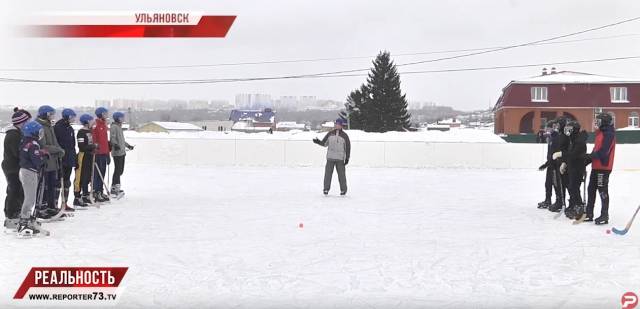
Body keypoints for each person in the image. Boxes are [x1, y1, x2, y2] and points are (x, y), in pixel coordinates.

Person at [16, 120, 48, 236]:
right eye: (39, 132)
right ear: (33, 132)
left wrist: (40, 153)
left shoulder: (26, 141)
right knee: (30, 198)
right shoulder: (33, 144)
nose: (40, 134)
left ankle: (27, 219)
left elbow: (31, 154)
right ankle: (23, 222)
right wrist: (43, 158)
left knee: (29, 197)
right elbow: (36, 160)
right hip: (29, 172)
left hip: (25, 170)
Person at [584, 113, 616, 224]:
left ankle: (604, 215)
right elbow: (595, 151)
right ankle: (589, 214)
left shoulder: (609, 134)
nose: (596, 123)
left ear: (604, 122)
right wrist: (585, 161)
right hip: (596, 167)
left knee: (602, 190)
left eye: (599, 121)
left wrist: (590, 156)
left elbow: (603, 153)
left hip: (604, 167)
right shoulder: (599, 134)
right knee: (591, 189)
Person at [2, 108, 31, 229]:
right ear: (21, 122)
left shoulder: (19, 133)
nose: (28, 123)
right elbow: (18, 153)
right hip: (12, 167)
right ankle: (11, 215)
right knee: (14, 190)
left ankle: (17, 211)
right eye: (27, 121)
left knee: (19, 189)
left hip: (17, 166)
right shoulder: (13, 135)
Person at [552, 120, 587, 219]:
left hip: (578, 168)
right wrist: (565, 163)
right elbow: (570, 154)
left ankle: (579, 207)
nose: (567, 131)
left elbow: (573, 154)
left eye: (569, 129)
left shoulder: (579, 141)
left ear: (574, 130)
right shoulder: (573, 139)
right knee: (572, 187)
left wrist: (561, 154)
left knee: (574, 188)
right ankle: (574, 206)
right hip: (572, 167)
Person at [35, 105, 65, 218]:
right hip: (45, 161)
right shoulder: (40, 127)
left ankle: (50, 207)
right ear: (45, 114)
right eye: (51, 114)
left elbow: (55, 142)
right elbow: (43, 145)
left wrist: (60, 150)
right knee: (44, 185)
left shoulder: (49, 126)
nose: (53, 116)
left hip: (53, 161)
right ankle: (41, 208)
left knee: (52, 185)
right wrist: (57, 149)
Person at [313, 118, 351, 195]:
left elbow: (348, 147)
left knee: (341, 176)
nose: (337, 126)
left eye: (338, 124)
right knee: (327, 175)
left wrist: (347, 158)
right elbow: (324, 143)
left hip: (340, 159)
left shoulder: (345, 136)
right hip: (330, 158)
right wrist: (318, 142)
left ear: (341, 126)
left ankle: (343, 190)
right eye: (336, 124)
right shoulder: (330, 133)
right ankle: (326, 189)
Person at [53, 108, 77, 212]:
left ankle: (65, 203)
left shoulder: (70, 129)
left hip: (69, 159)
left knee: (67, 182)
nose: (74, 119)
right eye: (72, 117)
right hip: (60, 160)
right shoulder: (58, 127)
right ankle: (54, 205)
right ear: (67, 116)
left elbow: (72, 145)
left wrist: (74, 159)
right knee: (58, 182)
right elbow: (56, 144)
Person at [537, 120, 563, 209]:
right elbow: (550, 153)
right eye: (546, 128)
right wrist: (546, 164)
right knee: (548, 183)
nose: (547, 130)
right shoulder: (551, 138)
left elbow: (555, 153)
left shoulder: (557, 138)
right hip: (550, 165)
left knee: (556, 184)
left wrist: (549, 163)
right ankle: (548, 200)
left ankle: (558, 201)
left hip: (555, 165)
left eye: (549, 128)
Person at [73, 114, 97, 207]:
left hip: (89, 156)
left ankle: (85, 195)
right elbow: (82, 146)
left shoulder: (90, 131)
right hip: (82, 156)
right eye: (91, 121)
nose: (93, 122)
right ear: (86, 122)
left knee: (87, 176)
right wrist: (93, 146)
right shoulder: (81, 132)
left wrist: (93, 148)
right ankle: (77, 197)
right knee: (80, 176)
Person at [109, 111, 134, 197]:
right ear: (118, 118)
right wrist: (115, 145)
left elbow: (122, 140)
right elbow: (112, 137)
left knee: (120, 171)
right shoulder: (114, 127)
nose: (123, 119)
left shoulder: (119, 127)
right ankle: (114, 189)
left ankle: (116, 187)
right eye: (122, 117)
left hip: (122, 152)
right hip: (117, 153)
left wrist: (128, 146)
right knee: (117, 170)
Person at [548, 117, 570, 212]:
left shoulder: (564, 136)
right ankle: (559, 201)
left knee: (563, 184)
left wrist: (563, 161)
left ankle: (562, 202)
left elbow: (564, 150)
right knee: (557, 183)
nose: (556, 127)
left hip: (562, 163)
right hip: (557, 163)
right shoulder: (560, 135)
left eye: (557, 125)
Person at [92, 107, 111, 202]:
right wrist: (96, 149)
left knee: (102, 172)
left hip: (104, 153)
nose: (106, 115)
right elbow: (94, 139)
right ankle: (96, 192)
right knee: (97, 173)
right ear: (100, 114)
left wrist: (108, 153)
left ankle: (100, 191)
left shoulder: (104, 124)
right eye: (105, 113)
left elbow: (105, 141)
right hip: (98, 153)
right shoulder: (95, 125)